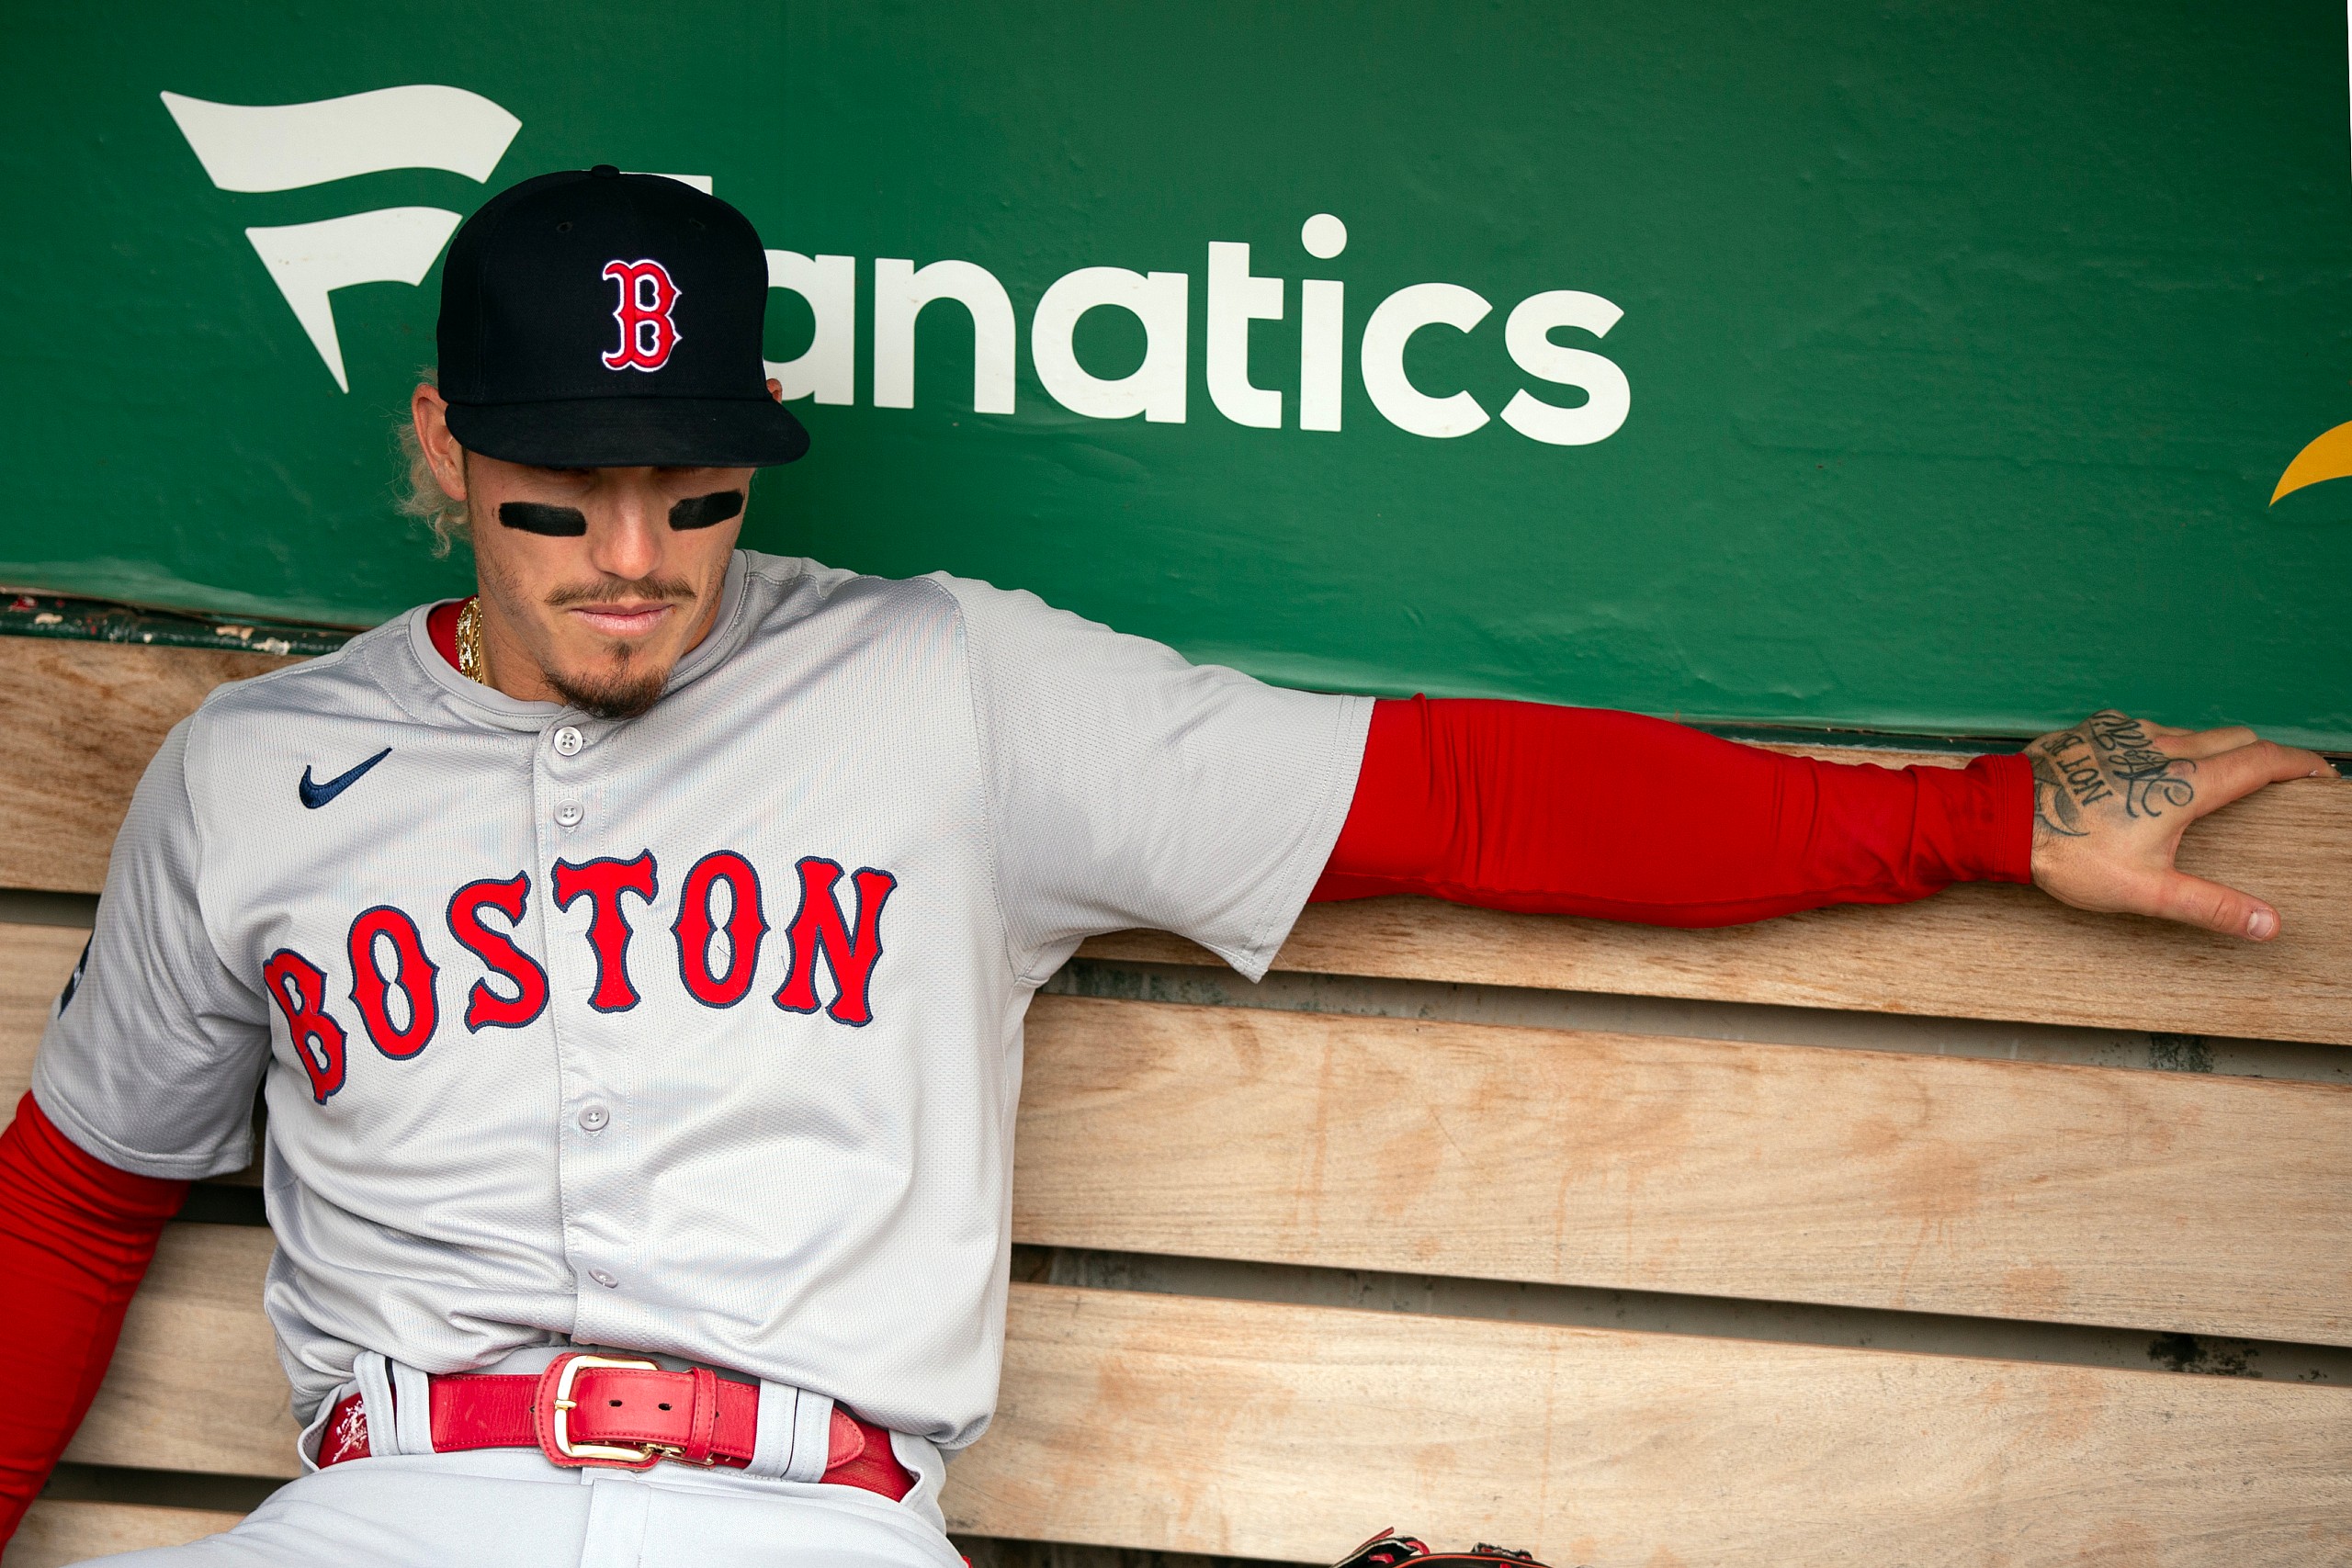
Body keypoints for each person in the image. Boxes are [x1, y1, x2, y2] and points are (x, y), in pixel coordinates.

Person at [0, 168, 2327, 1568]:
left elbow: (1448, 799)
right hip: (389, 1502)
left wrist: (1969, 814)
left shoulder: (946, 685)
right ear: (438, 438)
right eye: (556, 498)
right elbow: (74, 1198)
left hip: (802, 1516)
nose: (635, 562)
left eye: (695, 495)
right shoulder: (255, 772)